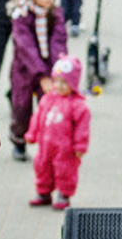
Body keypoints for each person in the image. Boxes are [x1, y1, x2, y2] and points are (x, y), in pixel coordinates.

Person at [8, 0, 68, 161]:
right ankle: (19, 139)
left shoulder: (55, 13)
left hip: (49, 68)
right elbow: (26, 47)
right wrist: (40, 74)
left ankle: (47, 141)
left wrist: (56, 72)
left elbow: (58, 42)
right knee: (21, 105)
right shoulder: (21, 16)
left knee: (49, 105)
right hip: (24, 68)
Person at [26, 54, 90, 210]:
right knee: (42, 166)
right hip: (45, 144)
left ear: (73, 83)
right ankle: (43, 192)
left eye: (64, 82)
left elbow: (82, 128)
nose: (59, 86)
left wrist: (80, 147)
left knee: (65, 170)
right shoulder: (47, 99)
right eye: (56, 81)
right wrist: (32, 133)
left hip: (65, 149)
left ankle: (64, 194)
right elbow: (38, 117)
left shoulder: (78, 106)